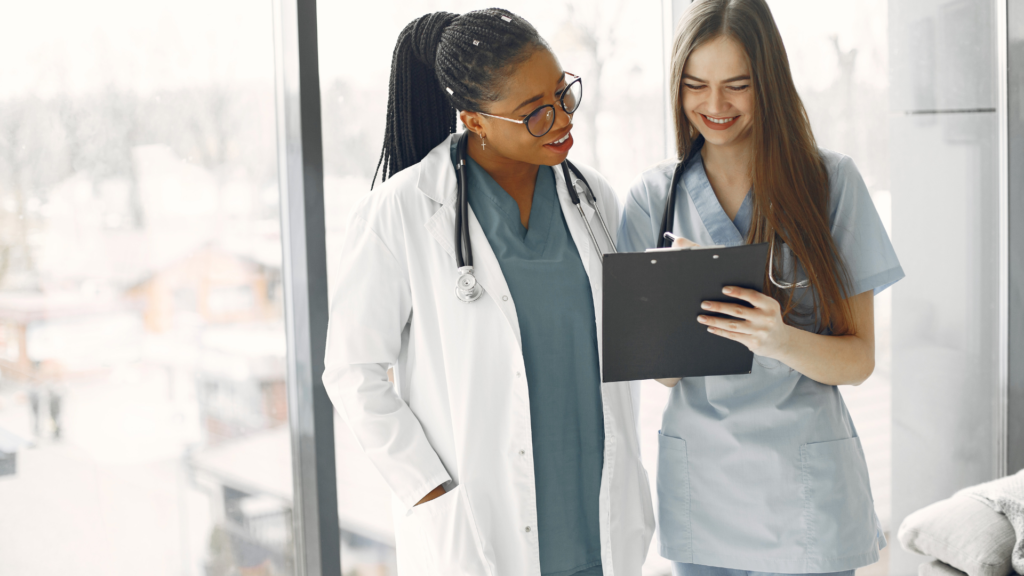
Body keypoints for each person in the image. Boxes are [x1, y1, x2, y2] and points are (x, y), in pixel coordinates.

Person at [323, 9, 654, 576]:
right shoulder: (402, 211)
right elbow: (352, 373)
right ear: (474, 121)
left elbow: (620, 343)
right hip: (480, 533)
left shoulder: (593, 197)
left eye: (563, 93)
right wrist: (430, 492)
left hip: (599, 521)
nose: (561, 119)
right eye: (534, 113)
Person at [617, 1, 904, 575]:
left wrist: (776, 337)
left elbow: (858, 360)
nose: (714, 106)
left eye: (737, 86)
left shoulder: (830, 184)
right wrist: (679, 304)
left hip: (805, 493)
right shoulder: (654, 198)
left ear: (768, 82)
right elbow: (664, 373)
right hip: (706, 491)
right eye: (695, 85)